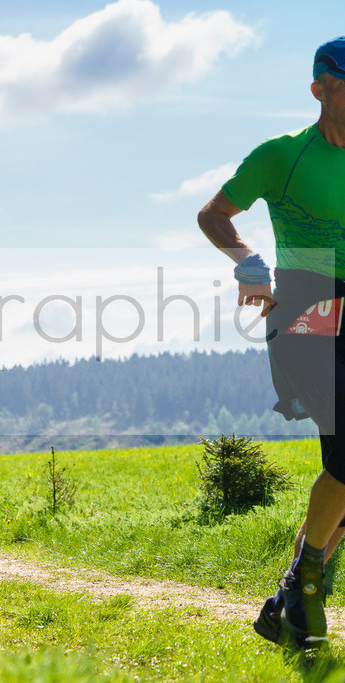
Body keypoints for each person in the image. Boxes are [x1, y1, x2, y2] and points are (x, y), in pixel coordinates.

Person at [198, 37, 345, 650]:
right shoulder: (280, 155)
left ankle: (289, 600)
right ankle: (306, 582)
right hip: (306, 308)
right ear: (320, 89)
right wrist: (247, 259)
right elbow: (213, 215)